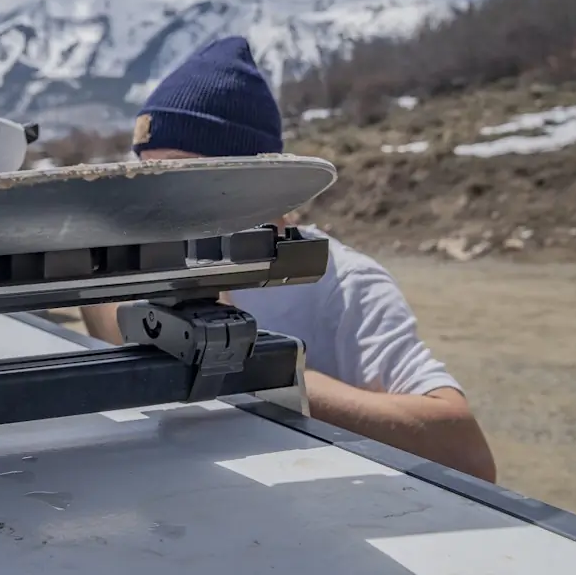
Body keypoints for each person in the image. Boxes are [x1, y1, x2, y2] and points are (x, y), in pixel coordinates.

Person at [78, 36, 498, 483]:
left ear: (258, 178)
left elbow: (464, 451)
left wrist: (255, 369)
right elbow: (100, 308)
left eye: (180, 176)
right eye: (147, 176)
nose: (157, 203)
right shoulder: (162, 260)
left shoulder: (342, 283)